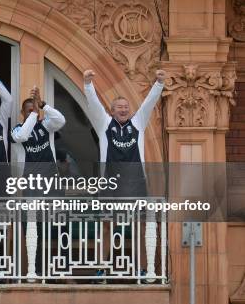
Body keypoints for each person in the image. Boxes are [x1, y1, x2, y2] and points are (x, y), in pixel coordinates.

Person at [83, 68, 165, 282]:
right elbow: (94, 106)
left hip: (135, 183)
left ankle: (142, 269)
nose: (123, 109)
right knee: (107, 225)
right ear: (112, 111)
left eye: (126, 107)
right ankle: (101, 269)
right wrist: (88, 84)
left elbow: (148, 104)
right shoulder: (104, 124)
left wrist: (158, 83)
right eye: (119, 107)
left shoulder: (137, 124)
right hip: (110, 184)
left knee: (138, 226)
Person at [10, 87, 65, 279]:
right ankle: (37, 268)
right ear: (22, 113)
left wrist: (43, 105)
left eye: (34, 109)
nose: (32, 111)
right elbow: (23, 136)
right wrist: (34, 115)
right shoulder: (17, 130)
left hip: (52, 182)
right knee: (35, 228)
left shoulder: (46, 125)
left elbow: (61, 120)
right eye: (28, 109)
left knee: (59, 226)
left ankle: (60, 267)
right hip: (31, 185)